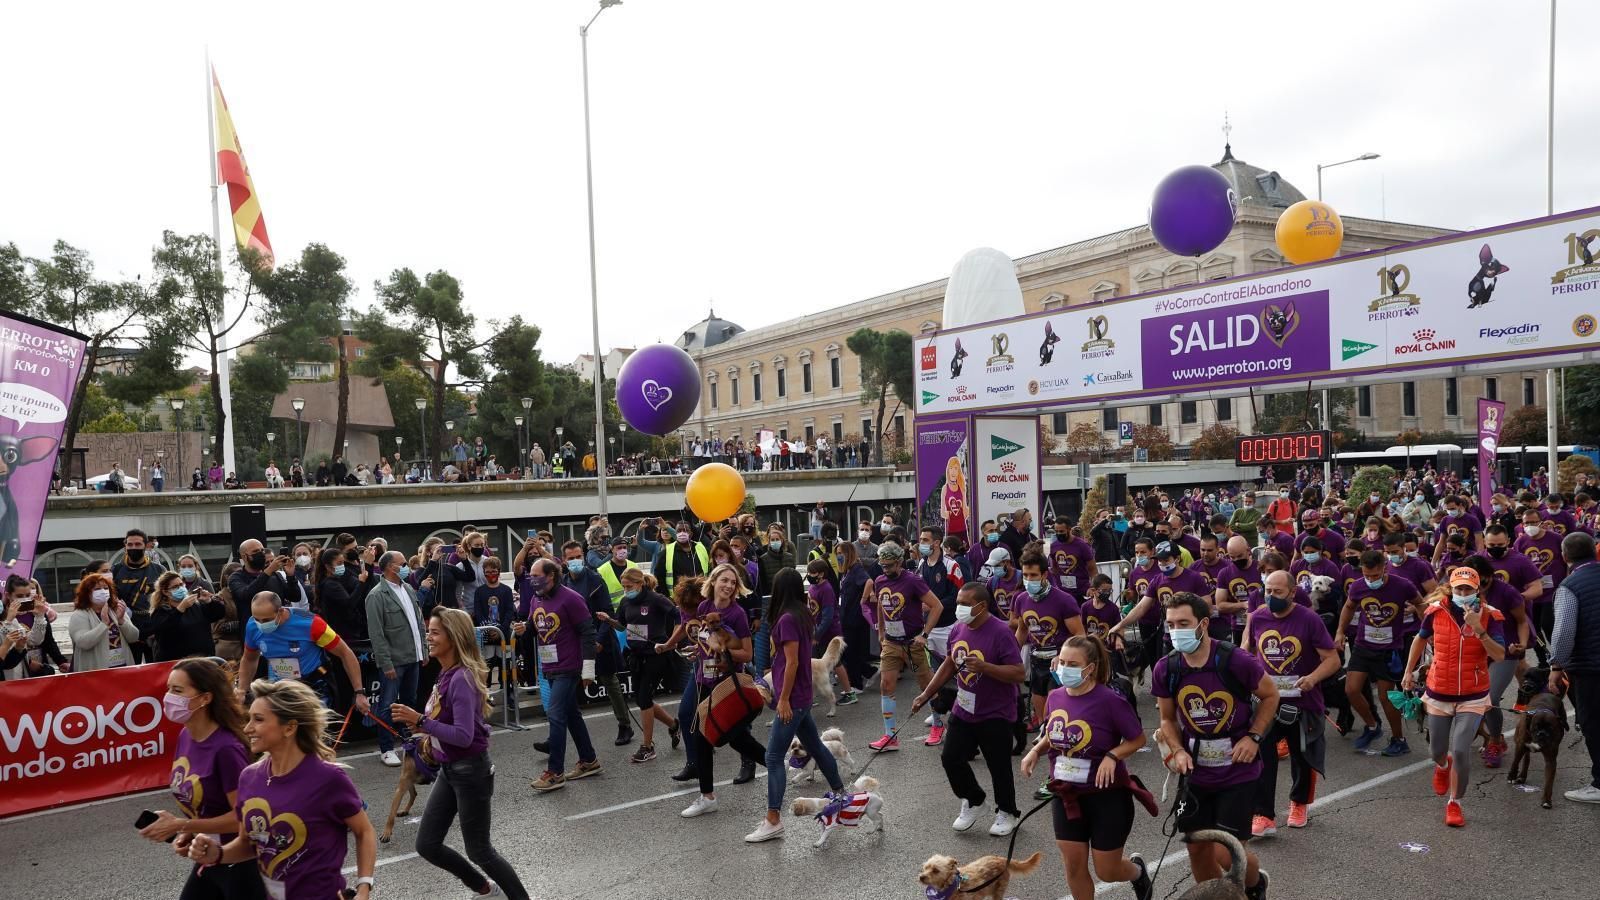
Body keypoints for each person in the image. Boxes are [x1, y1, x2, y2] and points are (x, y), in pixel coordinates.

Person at [185, 679, 378, 900]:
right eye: (249, 719)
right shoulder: (249, 778)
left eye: (258, 720)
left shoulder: (328, 779)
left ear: (289, 727)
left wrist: (364, 887)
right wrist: (217, 854)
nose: (247, 728)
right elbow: (249, 844)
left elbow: (364, 831)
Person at [389, 608, 532, 899]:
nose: (428, 637)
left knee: (480, 851)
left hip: (471, 772)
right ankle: (484, 889)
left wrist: (420, 720)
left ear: (454, 637)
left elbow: (464, 736)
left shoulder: (462, 679)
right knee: (427, 845)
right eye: (428, 631)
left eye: (435, 632)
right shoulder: (446, 673)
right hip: (449, 770)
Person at [1153, 591, 1278, 899]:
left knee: (1227, 852)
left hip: (1237, 771)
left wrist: (1253, 737)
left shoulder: (1234, 659)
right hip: (1196, 773)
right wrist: (1178, 750)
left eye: (1184, 623)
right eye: (1170, 624)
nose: (1176, 631)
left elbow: (1271, 695)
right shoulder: (1166, 668)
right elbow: (1168, 719)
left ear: (1204, 623)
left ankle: (1252, 885)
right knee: (1195, 847)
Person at [1019, 635, 1153, 900]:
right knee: (1073, 865)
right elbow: (1055, 732)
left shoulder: (1110, 700)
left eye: (1072, 663)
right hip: (1066, 793)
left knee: (1107, 870)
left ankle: (1137, 872)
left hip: (1107, 795)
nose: (1063, 668)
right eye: (1062, 662)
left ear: (1090, 668)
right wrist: (1035, 750)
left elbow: (1138, 738)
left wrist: (1112, 756)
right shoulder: (1055, 696)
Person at [138, 658, 263, 900]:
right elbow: (205, 804)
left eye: (177, 690)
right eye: (168, 689)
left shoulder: (226, 749)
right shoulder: (187, 735)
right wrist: (189, 832)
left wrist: (182, 825)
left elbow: (243, 818)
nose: (168, 697)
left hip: (241, 861)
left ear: (205, 698)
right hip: (208, 854)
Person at [912, 582, 1026, 836]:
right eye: (959, 603)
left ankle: (1007, 812)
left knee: (998, 766)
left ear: (982, 606)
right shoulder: (958, 628)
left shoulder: (1000, 632)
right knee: (950, 758)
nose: (959, 608)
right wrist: (926, 694)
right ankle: (974, 799)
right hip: (964, 708)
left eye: (965, 604)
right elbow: (950, 663)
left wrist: (986, 667)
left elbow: (1019, 673)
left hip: (996, 711)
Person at [1401, 567, 1506, 827]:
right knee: (1437, 750)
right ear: (1451, 588)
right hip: (1439, 690)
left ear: (1477, 590)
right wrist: (1408, 672)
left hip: (1473, 693)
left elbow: (1500, 654)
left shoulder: (1491, 615)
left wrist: (1478, 629)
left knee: (1461, 750)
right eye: (1458, 588)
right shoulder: (1435, 610)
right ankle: (1442, 765)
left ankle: (1455, 803)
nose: (1462, 593)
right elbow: (1420, 640)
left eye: (1468, 589)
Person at [749, 569, 846, 842]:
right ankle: (840, 794)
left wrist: (782, 699)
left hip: (792, 698)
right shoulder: (801, 615)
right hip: (801, 695)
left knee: (773, 757)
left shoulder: (788, 619)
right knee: (814, 745)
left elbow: (791, 662)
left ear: (779, 590)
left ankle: (773, 820)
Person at [1244, 570, 1340, 838]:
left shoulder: (1309, 619)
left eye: (1278, 592)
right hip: (1267, 703)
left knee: (1302, 755)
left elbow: (1332, 659)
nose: (1271, 597)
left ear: (1293, 592)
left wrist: (1312, 678)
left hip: (1303, 702)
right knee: (1263, 755)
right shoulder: (1258, 617)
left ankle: (1299, 803)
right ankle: (1263, 813)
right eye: (1268, 591)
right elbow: (1248, 652)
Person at [680, 563, 768, 817]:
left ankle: (775, 765)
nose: (728, 586)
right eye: (724, 580)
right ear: (714, 581)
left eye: (733, 582)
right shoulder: (704, 607)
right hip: (702, 679)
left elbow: (747, 653)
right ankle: (707, 796)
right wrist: (696, 652)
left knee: (735, 737)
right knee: (702, 734)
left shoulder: (737, 614)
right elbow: (703, 639)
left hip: (726, 683)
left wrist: (723, 650)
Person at [522, 557, 603, 792]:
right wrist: (522, 628)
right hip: (549, 665)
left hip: (569, 666)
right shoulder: (536, 598)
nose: (533, 580)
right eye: (531, 576)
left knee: (555, 713)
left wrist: (588, 669)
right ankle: (589, 760)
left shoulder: (571, 598)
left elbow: (588, 633)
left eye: (537, 576)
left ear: (552, 576)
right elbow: (532, 624)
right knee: (571, 714)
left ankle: (555, 772)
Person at [1336, 550, 1425, 756]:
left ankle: (1399, 740)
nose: (1370, 580)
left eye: (1375, 576)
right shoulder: (1358, 586)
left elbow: (1420, 603)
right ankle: (1372, 726)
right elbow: (1349, 607)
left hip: (1389, 650)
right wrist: (1340, 631)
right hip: (1363, 645)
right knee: (1351, 690)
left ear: (1384, 568)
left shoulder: (1402, 585)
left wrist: (1425, 630)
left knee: (1387, 698)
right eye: (1367, 575)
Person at [235, 591, 372, 720]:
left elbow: (345, 653)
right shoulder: (252, 626)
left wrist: (359, 692)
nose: (261, 625)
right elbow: (249, 658)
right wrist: (242, 690)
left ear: (281, 611)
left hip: (313, 684)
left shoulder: (311, 624)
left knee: (314, 734)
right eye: (257, 619)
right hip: (278, 688)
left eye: (266, 620)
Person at [869, 542, 942, 751]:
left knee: (927, 686)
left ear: (900, 562)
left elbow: (937, 605)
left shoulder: (913, 580)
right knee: (886, 685)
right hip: (892, 642)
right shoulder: (880, 580)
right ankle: (890, 736)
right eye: (882, 565)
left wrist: (924, 634)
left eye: (890, 565)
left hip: (913, 642)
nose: (886, 570)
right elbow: (882, 607)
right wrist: (881, 633)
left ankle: (938, 724)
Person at [1547, 531, 1600, 803]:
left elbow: (1564, 632)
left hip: (1591, 667)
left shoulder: (1570, 585)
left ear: (1564, 556)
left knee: (1593, 723)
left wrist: (1557, 666)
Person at [609, 568, 682, 764]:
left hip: (656, 655)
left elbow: (678, 616)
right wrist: (609, 621)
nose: (626, 590)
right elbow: (621, 625)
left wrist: (671, 642)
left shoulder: (655, 598)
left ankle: (648, 746)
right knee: (643, 700)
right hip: (636, 655)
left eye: (629, 586)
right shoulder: (625, 601)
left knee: (643, 698)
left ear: (640, 583)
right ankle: (674, 725)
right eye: (623, 587)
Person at [365, 551, 426, 768]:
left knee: (409, 701)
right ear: (391, 567)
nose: (407, 566)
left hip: (413, 656)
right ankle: (387, 748)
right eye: (403, 563)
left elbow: (418, 623)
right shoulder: (376, 595)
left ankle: (410, 740)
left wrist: (424, 651)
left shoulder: (408, 588)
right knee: (387, 704)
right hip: (394, 660)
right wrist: (386, 663)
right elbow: (377, 633)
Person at [111, 528, 164, 665]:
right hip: (126, 628)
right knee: (127, 673)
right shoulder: (115, 570)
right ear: (125, 546)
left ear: (145, 545)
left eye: (138, 544)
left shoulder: (159, 570)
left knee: (156, 671)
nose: (133, 547)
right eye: (130, 545)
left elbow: (165, 599)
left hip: (153, 629)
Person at [67, 572, 140, 671]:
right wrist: (104, 624)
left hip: (122, 667)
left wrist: (121, 621)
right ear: (86, 594)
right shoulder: (80, 615)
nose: (103, 591)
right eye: (97, 589)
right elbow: (83, 642)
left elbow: (134, 637)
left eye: (106, 588)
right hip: (96, 671)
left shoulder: (115, 609)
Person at [147, 571, 223, 661]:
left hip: (204, 659)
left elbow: (219, 614)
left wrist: (209, 601)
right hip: (176, 663)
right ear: (165, 592)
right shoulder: (161, 611)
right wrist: (180, 609)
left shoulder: (195, 605)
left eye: (181, 584)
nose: (181, 588)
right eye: (175, 587)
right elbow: (165, 632)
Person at [653, 521, 711, 596]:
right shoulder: (666, 552)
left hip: (701, 597)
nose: (682, 533)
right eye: (679, 531)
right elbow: (659, 578)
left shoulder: (702, 549)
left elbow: (711, 571)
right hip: (676, 600)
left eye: (685, 530)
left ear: (691, 534)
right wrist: (666, 597)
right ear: (675, 533)